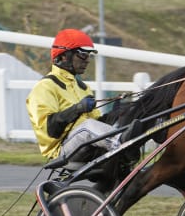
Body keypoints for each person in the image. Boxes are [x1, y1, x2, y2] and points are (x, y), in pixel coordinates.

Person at [26, 28, 141, 164]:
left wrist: (117, 111)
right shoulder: (45, 87)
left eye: (89, 56)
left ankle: (126, 143)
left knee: (123, 115)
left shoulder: (83, 88)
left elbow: (98, 123)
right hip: (61, 150)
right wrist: (77, 109)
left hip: (86, 144)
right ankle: (123, 145)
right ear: (63, 56)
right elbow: (50, 130)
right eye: (83, 55)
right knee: (87, 126)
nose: (87, 60)